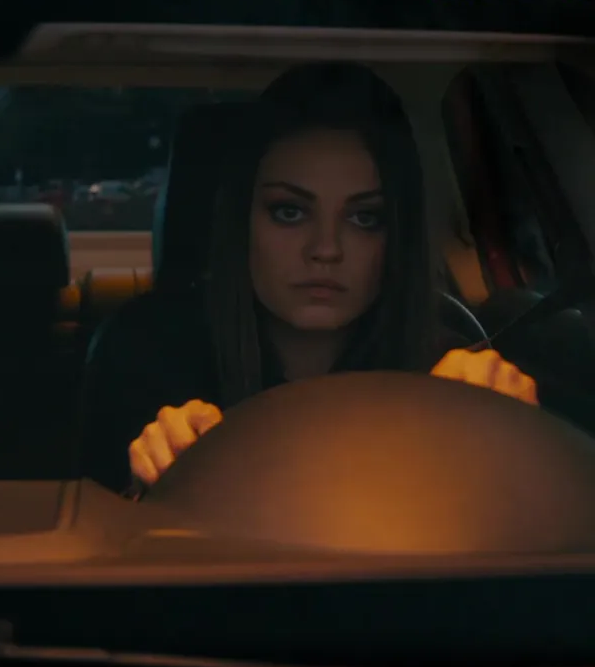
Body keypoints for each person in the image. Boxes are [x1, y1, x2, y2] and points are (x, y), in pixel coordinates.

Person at [80, 62, 540, 494]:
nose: (326, 249)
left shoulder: (447, 368)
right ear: (242, 222)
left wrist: (518, 444)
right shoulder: (146, 353)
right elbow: (97, 533)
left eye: (364, 218)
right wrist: (151, 484)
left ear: (397, 236)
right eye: (289, 212)